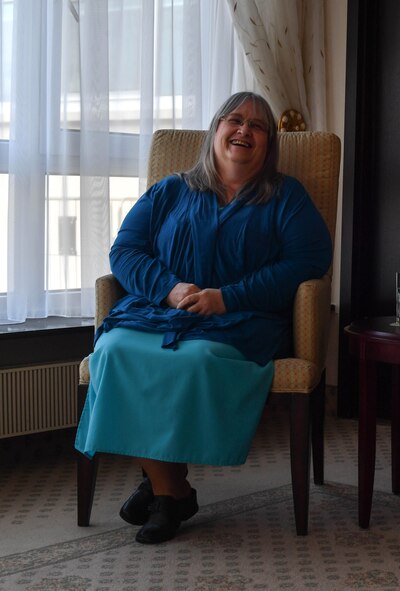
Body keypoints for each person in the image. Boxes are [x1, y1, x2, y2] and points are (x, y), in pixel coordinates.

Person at [74, 91, 333, 544]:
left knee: (193, 360)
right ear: (216, 130)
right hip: (159, 312)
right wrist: (169, 288)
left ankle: (160, 489)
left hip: (240, 321)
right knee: (112, 350)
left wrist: (228, 298)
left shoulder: (286, 196)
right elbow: (125, 251)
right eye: (234, 120)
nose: (244, 130)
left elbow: (309, 260)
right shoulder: (171, 190)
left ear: (269, 144)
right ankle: (172, 490)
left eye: (257, 126)